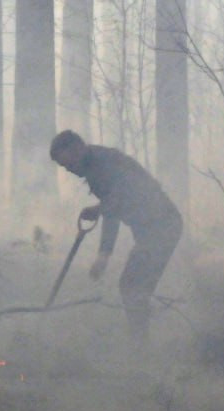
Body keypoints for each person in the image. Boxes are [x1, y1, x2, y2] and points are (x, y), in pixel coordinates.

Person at [49, 130, 182, 341]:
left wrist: (103, 253)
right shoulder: (96, 164)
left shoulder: (103, 164)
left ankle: (141, 345)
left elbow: (118, 202)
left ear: (77, 148)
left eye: (70, 164)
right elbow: (113, 207)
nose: (70, 171)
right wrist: (100, 217)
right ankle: (143, 341)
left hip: (161, 226)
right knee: (135, 287)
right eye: (66, 168)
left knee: (132, 286)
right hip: (154, 228)